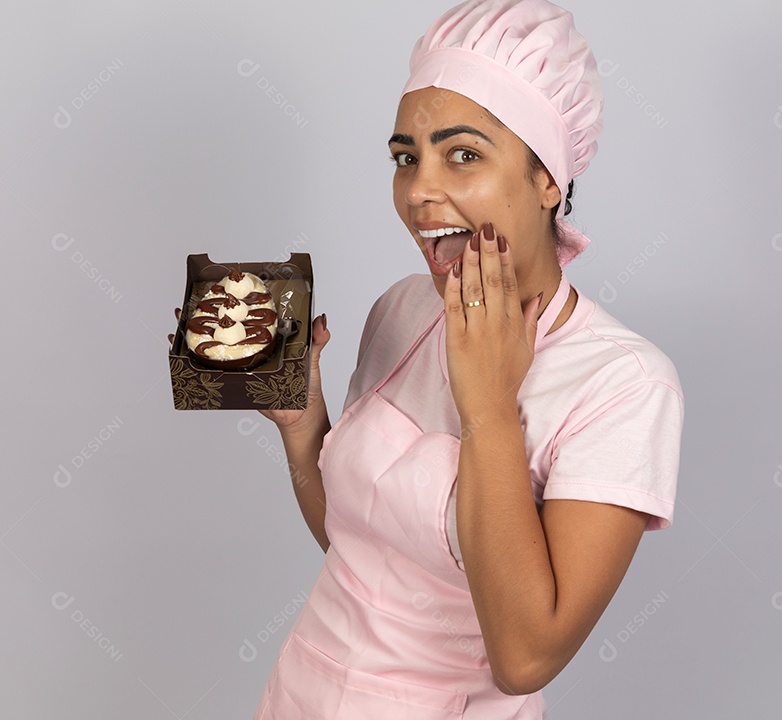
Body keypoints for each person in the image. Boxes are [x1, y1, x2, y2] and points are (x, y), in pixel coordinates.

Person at [253, 0, 684, 716]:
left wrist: (489, 406)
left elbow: (526, 655)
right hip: (300, 693)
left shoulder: (623, 385)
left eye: (464, 154)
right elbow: (354, 541)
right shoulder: (403, 309)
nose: (419, 191)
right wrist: (303, 426)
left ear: (548, 178)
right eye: (405, 158)